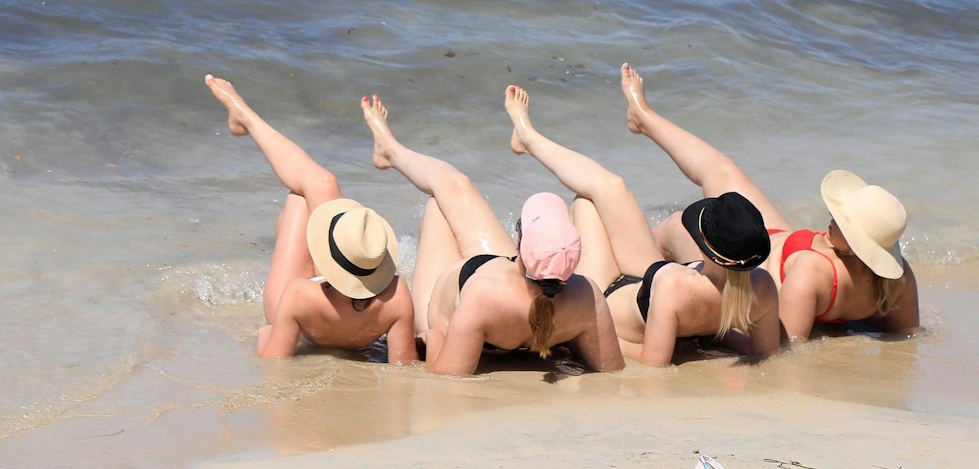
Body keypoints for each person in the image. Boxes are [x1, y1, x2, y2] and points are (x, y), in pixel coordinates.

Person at [621, 63, 920, 341]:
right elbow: (905, 334)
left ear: (858, 245)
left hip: (747, 259)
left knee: (674, 226)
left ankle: (624, 289)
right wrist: (852, 326)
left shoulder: (814, 272)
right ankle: (644, 118)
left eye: (843, 221)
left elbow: (782, 345)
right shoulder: (897, 278)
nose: (831, 217)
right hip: (774, 242)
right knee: (722, 170)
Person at [504, 83, 780, 365]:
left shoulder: (676, 286)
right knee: (611, 188)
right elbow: (764, 351)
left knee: (589, 198)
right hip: (648, 287)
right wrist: (715, 335)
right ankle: (528, 138)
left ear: (706, 243)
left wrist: (590, 333)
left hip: (606, 295)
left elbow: (653, 360)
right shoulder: (763, 287)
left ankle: (527, 138)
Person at [361, 92, 622, 376]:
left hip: (452, 306)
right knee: (452, 191)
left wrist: (435, 337)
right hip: (502, 287)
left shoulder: (484, 297)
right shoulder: (588, 296)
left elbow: (447, 379)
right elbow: (612, 371)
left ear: (521, 248)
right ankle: (391, 149)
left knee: (443, 199)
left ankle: (389, 149)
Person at [204, 75, 417, 361]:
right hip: (348, 307)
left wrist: (267, 334)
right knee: (317, 185)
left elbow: (274, 362)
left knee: (303, 195)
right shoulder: (396, 295)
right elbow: (404, 366)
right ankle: (244, 117)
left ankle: (244, 115)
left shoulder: (298, 296)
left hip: (301, 311)